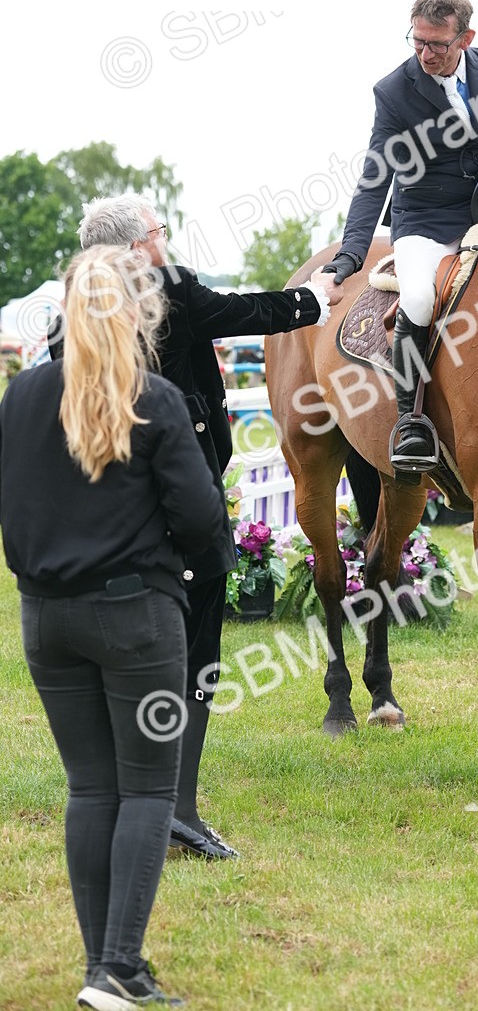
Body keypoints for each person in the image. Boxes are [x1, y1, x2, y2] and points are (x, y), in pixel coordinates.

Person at [52, 195, 340, 862]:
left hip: (101, 511)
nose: (163, 242)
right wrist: (316, 300)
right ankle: (177, 808)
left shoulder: (75, 310)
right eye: (156, 233)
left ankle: (126, 796)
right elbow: (245, 311)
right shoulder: (167, 290)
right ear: (134, 249)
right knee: (195, 656)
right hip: (181, 501)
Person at [1, 246, 227, 1007]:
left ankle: (104, 966)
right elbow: (200, 518)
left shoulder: (22, 397)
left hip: (46, 619)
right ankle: (118, 968)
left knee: (90, 789)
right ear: (140, 312)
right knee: (147, 792)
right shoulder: (155, 399)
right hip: (134, 617)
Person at [315, 0, 478, 467]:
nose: (425, 54)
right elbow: (375, 180)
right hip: (425, 219)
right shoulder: (394, 92)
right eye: (417, 41)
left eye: (437, 45)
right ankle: (411, 421)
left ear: (465, 38)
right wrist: (349, 256)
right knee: (421, 299)